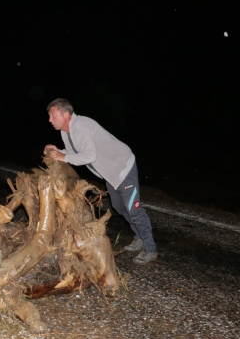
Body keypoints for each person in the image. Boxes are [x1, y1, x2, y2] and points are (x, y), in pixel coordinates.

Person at [43, 98, 157, 264]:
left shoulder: (81, 126)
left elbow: (89, 156)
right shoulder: (66, 132)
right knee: (119, 207)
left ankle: (150, 248)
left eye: (53, 115)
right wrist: (57, 151)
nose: (50, 120)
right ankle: (139, 237)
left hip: (123, 168)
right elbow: (73, 152)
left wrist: (64, 156)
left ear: (66, 114)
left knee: (134, 210)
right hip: (110, 174)